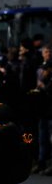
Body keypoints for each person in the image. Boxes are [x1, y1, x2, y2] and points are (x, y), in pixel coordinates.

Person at [32, 44, 52, 174]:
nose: (48, 54)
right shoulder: (40, 67)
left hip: (50, 108)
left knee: (49, 137)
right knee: (42, 137)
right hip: (42, 108)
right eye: (46, 52)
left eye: (50, 52)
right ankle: (41, 161)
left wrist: (44, 86)